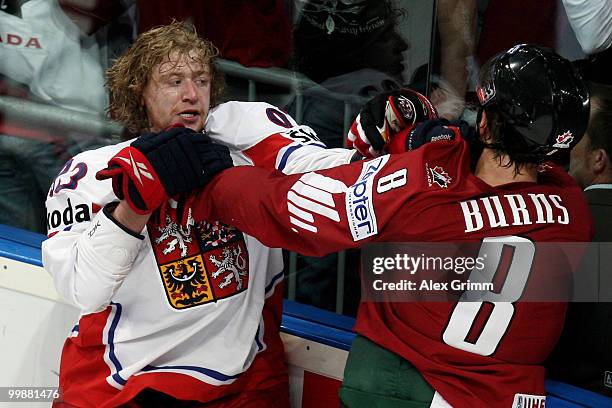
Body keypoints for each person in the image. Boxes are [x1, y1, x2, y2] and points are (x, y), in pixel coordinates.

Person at [174, 44, 592, 407]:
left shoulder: (422, 191)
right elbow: (483, 188)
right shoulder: (573, 210)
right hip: (506, 396)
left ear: (484, 121)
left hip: (406, 385)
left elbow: (296, 211)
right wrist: (424, 133)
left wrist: (210, 182)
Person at [42, 21, 361, 407]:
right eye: (173, 81)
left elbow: (319, 165)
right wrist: (133, 208)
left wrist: (377, 153)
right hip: (120, 384)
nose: (191, 95)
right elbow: (83, 290)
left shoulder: (244, 134)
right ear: (139, 92)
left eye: (201, 79)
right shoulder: (92, 172)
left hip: (242, 383)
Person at [547, 81, 612, 396]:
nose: (568, 145)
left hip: (563, 392)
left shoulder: (563, 225)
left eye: (579, 137)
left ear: (599, 160)